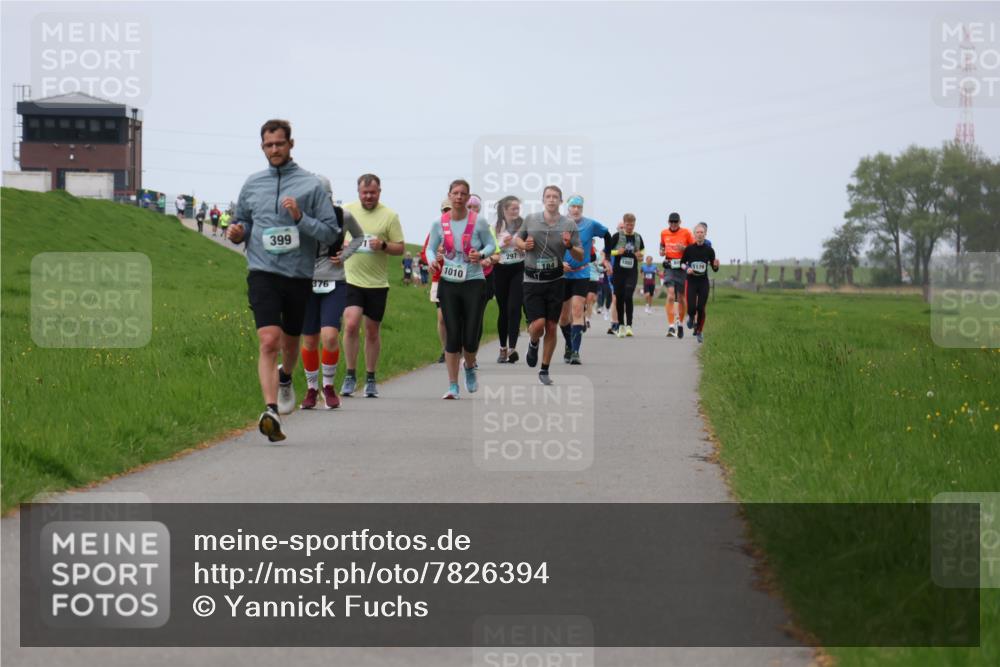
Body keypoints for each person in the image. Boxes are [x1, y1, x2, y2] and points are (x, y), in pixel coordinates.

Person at [226, 119, 340, 442]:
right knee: (268, 341)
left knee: (291, 343)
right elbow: (242, 223)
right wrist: (237, 233)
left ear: (291, 144)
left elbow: (331, 233)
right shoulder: (252, 184)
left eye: (279, 144)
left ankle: (286, 376)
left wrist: (300, 218)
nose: (274, 150)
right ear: (262, 147)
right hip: (262, 272)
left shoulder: (310, 186)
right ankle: (271, 409)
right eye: (268, 145)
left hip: (298, 275)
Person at [299, 175, 365, 410]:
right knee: (309, 340)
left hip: (334, 282)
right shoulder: (299, 217)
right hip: (306, 283)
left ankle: (328, 386)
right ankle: (311, 389)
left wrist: (344, 255)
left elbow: (359, 237)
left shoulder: (343, 216)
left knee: (329, 336)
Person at [425, 180, 495, 399]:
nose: (459, 197)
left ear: (468, 197)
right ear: (449, 195)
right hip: (449, 283)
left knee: (471, 336)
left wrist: (481, 255)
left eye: (463, 194)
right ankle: (453, 385)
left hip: (474, 281)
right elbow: (429, 247)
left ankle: (470, 366)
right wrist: (431, 261)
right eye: (455, 193)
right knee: (453, 335)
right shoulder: (439, 223)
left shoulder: (479, 222)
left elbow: (491, 245)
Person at [341, 174, 405, 398]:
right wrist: (344, 243)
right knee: (350, 323)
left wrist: (384, 245)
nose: (368, 196)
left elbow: (400, 248)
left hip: (377, 283)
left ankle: (370, 377)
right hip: (351, 279)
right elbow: (332, 237)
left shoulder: (389, 216)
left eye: (373, 192)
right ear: (358, 192)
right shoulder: (347, 211)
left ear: (380, 191)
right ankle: (350, 375)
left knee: (371, 331)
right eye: (364, 192)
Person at [514, 185, 582, 386]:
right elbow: (518, 239)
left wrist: (569, 246)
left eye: (555, 197)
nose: (551, 200)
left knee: (552, 326)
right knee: (538, 325)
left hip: (555, 280)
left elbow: (580, 254)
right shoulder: (531, 219)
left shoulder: (568, 224)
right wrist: (523, 245)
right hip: (532, 279)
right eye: (548, 196)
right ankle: (533, 343)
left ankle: (544, 369)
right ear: (543, 200)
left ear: (561, 201)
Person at [558, 195, 611, 364]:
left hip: (582, 273)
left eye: (579, 207)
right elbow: (548, 246)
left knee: (577, 310)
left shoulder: (590, 224)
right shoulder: (558, 224)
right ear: (568, 208)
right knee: (563, 317)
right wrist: (558, 263)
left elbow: (607, 234)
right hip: (563, 275)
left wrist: (607, 256)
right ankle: (569, 344)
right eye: (573, 206)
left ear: (582, 208)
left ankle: (575, 352)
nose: (576, 210)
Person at [493, 195, 525, 363]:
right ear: (504, 210)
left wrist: (523, 249)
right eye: (513, 208)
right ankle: (502, 348)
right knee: (503, 310)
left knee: (514, 307)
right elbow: (490, 248)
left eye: (517, 208)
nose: (516, 211)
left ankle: (512, 348)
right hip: (500, 270)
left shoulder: (524, 225)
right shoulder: (496, 227)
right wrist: (502, 245)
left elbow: (531, 245)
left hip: (518, 268)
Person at [681, 222, 720, 343]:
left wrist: (716, 266)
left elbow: (714, 268)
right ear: (694, 234)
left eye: (702, 232)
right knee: (692, 307)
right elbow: (682, 263)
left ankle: (699, 331)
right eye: (697, 232)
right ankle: (691, 317)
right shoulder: (689, 249)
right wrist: (687, 269)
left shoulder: (710, 250)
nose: (699, 234)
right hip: (691, 281)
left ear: (705, 234)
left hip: (703, 282)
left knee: (701, 308)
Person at [423, 198, 451, 364]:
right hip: (439, 279)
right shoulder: (435, 230)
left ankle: (459, 346)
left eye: (450, 210)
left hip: (459, 278)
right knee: (442, 317)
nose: (447, 213)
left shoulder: (464, 230)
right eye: (444, 210)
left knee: (458, 316)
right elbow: (425, 252)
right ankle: (445, 349)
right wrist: (432, 260)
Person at [609, 214, 645, 337]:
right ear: (624, 224)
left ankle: (629, 325)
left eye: (632, 224)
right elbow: (608, 251)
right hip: (618, 272)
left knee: (628, 295)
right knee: (619, 298)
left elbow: (642, 254)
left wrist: (639, 255)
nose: (630, 227)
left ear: (634, 224)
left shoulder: (638, 237)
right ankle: (621, 325)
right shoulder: (617, 236)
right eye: (628, 224)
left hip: (631, 272)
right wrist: (617, 252)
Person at [659, 211, 694, 338]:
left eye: (676, 222)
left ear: (680, 222)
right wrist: (662, 251)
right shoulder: (664, 233)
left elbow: (694, 248)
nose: (673, 224)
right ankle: (671, 326)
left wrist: (684, 249)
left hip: (682, 267)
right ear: (668, 222)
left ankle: (680, 322)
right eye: (671, 222)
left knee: (681, 297)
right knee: (671, 294)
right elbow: (662, 246)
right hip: (669, 267)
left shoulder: (686, 233)